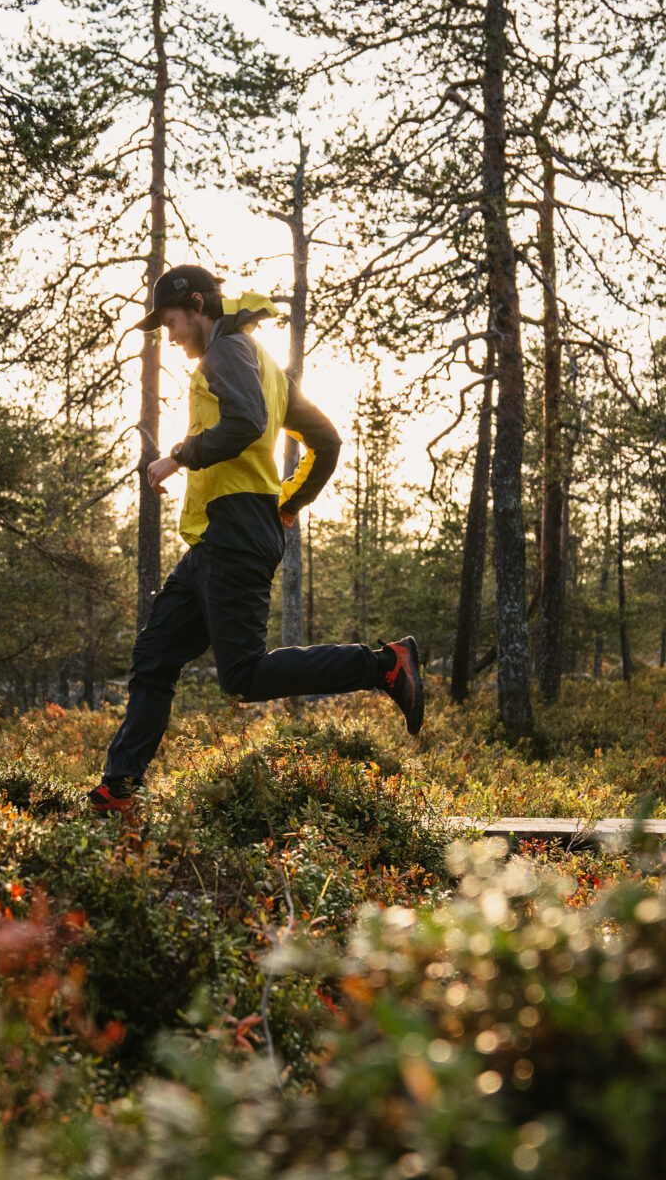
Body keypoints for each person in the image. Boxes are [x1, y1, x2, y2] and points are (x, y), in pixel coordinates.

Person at [88, 264, 424, 822]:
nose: (170, 337)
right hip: (216, 538)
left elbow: (245, 423)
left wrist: (180, 455)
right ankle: (120, 787)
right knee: (154, 657)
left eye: (171, 322)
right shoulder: (262, 363)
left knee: (242, 675)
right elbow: (327, 441)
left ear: (196, 306)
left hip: (236, 536)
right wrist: (290, 502)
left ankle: (385, 665)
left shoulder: (226, 352)